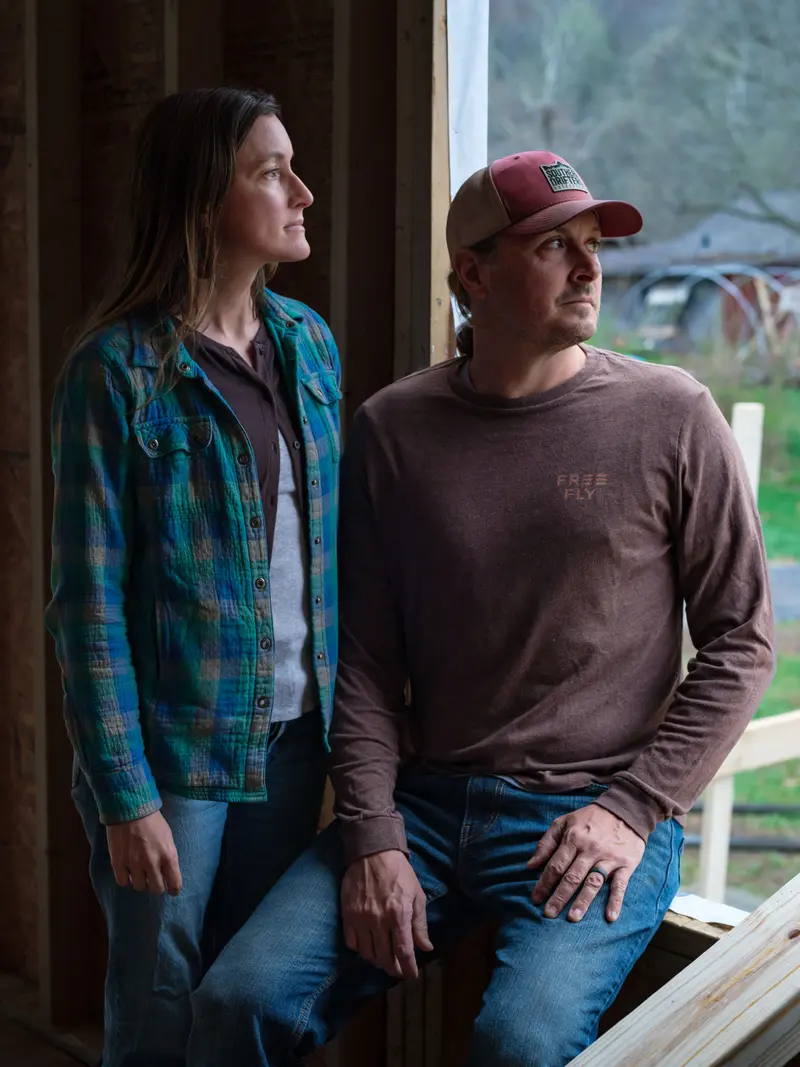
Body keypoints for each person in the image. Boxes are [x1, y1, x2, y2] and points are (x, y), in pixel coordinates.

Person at [188, 151, 774, 1067]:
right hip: (423, 807)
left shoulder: (671, 414)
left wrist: (633, 807)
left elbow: (743, 642)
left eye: (594, 244)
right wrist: (373, 836)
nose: (589, 268)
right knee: (236, 1000)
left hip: (593, 811)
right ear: (473, 274)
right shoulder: (395, 430)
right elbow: (364, 664)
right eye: (553, 247)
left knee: (520, 1044)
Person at [45, 87, 341, 1066]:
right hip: (174, 759)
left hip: (295, 739)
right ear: (203, 198)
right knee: (160, 1006)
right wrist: (125, 796)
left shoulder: (307, 345)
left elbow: (333, 554)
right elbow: (87, 605)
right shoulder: (116, 372)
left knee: (250, 1002)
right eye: (272, 172)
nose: (303, 192)